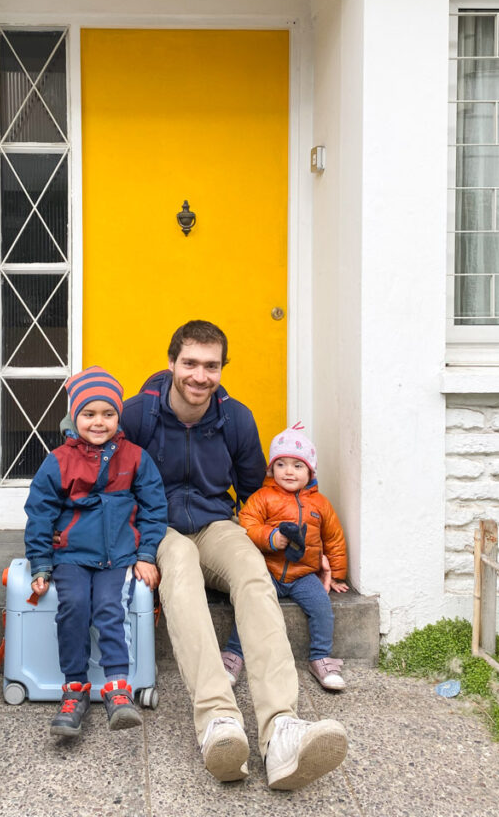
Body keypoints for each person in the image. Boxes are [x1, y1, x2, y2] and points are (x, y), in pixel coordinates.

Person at [121, 320, 348, 789]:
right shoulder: (137, 415)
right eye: (190, 364)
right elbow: (105, 474)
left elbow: (257, 494)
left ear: (222, 368)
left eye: (211, 365)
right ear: (171, 363)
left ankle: (281, 728)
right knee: (180, 566)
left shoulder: (236, 419)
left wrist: (314, 545)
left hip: (214, 523)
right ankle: (218, 721)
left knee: (250, 569)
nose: (200, 376)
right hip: (157, 529)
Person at [24, 365, 168, 738]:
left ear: (119, 416)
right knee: (73, 607)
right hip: (71, 556)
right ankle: (75, 690)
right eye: (89, 414)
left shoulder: (135, 458)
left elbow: (154, 509)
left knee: (110, 608)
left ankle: (117, 688)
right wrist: (41, 563)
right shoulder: (58, 460)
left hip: (117, 556)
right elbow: (39, 513)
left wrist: (146, 554)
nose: (98, 422)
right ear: (75, 416)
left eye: (108, 414)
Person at [234, 423, 349, 691]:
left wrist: (337, 574)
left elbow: (334, 539)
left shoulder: (320, 504)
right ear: (271, 469)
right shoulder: (263, 497)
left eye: (297, 466)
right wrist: (270, 537)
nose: (288, 471)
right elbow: (246, 524)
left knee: (322, 609)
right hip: (269, 570)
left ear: (310, 471)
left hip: (303, 574)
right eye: (281, 464)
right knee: (250, 605)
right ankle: (233, 654)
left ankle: (320, 657)